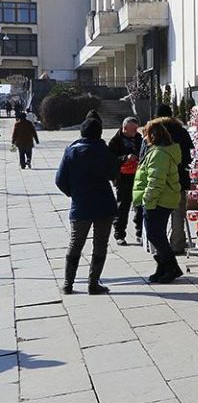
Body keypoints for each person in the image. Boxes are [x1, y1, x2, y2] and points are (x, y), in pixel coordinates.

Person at [55, 118, 120, 294]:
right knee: (100, 244)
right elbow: (114, 173)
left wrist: (73, 193)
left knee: (75, 243)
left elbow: (60, 180)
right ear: (99, 133)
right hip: (104, 204)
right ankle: (93, 284)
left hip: (80, 205)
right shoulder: (105, 151)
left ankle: (68, 284)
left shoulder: (71, 151)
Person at [133, 121, 184, 284]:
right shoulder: (160, 151)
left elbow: (156, 181)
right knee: (156, 235)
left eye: (146, 134)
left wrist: (147, 200)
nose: (144, 138)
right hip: (162, 198)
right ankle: (163, 267)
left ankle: (171, 267)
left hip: (158, 200)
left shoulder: (159, 154)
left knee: (155, 235)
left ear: (152, 136)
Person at [140, 104, 194, 255]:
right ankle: (177, 244)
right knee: (178, 213)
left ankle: (159, 245)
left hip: (155, 178)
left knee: (157, 215)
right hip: (178, 179)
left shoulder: (151, 131)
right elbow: (189, 156)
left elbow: (143, 157)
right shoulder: (181, 131)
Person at [108, 117, 143, 246]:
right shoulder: (115, 141)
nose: (135, 131)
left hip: (138, 176)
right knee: (122, 207)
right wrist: (125, 158)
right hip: (123, 177)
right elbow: (110, 160)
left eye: (136, 129)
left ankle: (140, 233)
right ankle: (119, 234)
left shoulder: (139, 139)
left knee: (140, 206)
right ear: (125, 128)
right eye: (133, 129)